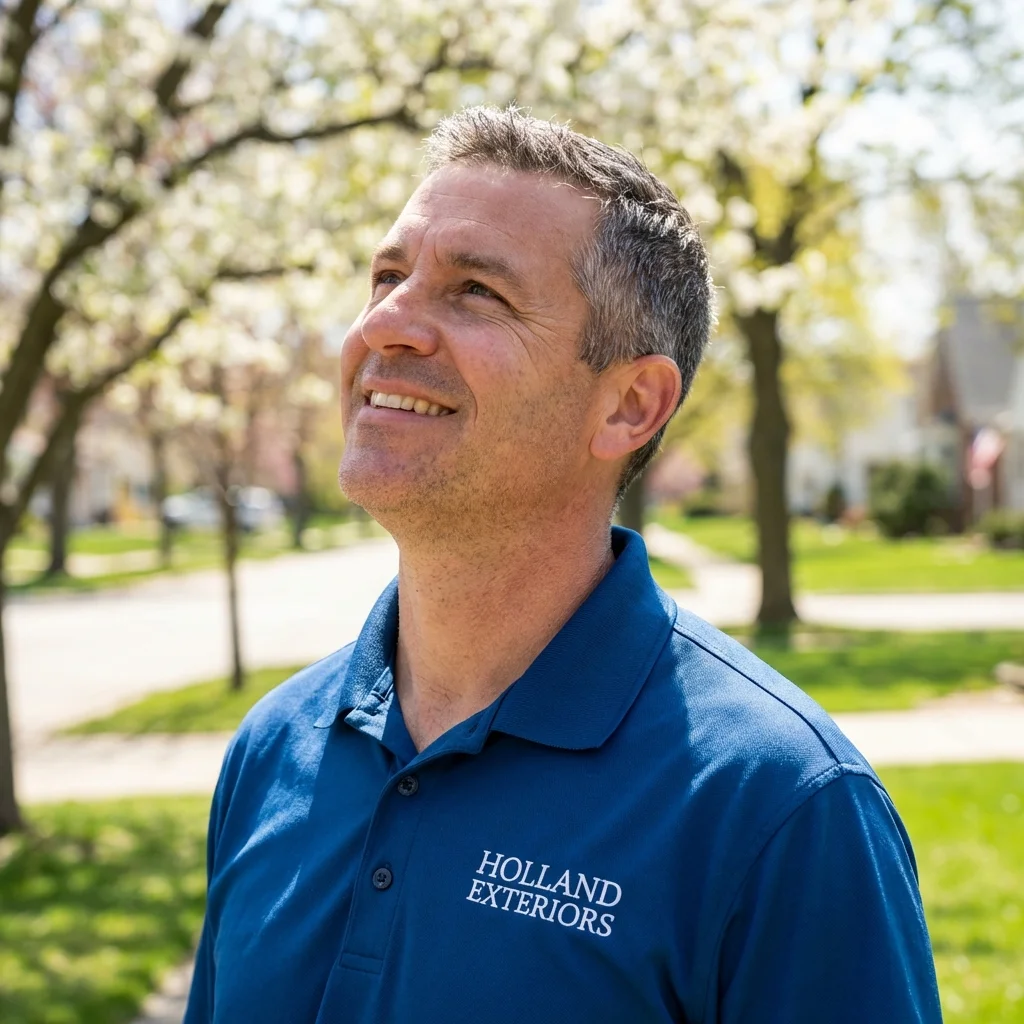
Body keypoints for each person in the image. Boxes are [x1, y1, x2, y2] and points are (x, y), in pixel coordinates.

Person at [183, 107, 942, 1024]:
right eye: (388, 276)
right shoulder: (272, 750)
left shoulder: (784, 808)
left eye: (475, 292)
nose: (385, 323)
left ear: (629, 405)